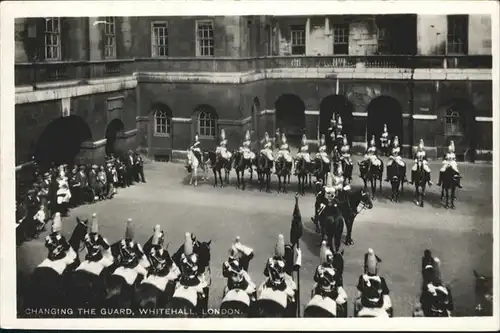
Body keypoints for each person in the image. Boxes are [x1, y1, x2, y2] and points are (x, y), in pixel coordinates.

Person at [259, 234, 296, 302]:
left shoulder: (270, 260)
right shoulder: (285, 263)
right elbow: (289, 271)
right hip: (282, 286)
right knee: (293, 294)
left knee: (260, 291)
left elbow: (266, 273)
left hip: (270, 284)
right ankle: (292, 311)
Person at [355, 248, 392, 315]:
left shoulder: (362, 278)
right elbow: (386, 292)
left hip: (365, 304)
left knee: (357, 303)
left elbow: (359, 294)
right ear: (376, 268)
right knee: (388, 302)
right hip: (379, 305)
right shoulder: (381, 279)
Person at [311, 241, 347, 305]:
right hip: (331, 293)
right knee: (343, 300)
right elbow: (337, 278)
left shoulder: (319, 267)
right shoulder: (333, 270)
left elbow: (315, 279)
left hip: (320, 292)